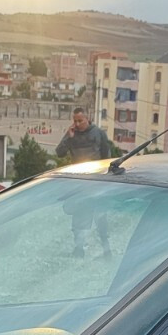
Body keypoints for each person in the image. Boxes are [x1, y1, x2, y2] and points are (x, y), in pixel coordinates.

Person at [57, 109, 113, 256]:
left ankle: (106, 250)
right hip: (79, 182)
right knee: (79, 215)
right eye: (75, 120)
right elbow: (59, 152)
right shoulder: (71, 134)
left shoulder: (98, 133)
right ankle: (79, 248)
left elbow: (106, 155)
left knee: (100, 215)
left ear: (87, 119)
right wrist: (69, 138)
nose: (77, 123)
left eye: (80, 120)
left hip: (96, 181)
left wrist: (105, 177)